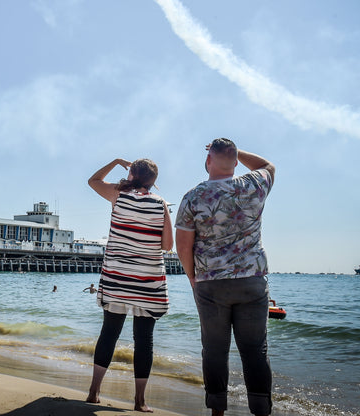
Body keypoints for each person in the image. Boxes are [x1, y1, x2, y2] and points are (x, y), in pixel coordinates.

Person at [175, 139, 275, 416]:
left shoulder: (193, 196)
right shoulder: (253, 185)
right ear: (234, 162)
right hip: (251, 279)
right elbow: (268, 165)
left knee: (215, 350)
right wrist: (235, 153)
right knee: (255, 350)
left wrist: (193, 278)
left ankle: (217, 411)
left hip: (210, 282)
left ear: (208, 161)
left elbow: (183, 246)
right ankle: (261, 411)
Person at [85, 158, 173, 413]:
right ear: (153, 181)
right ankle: (139, 401)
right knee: (144, 340)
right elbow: (168, 246)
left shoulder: (118, 194)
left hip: (117, 278)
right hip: (148, 281)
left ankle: (94, 392)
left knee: (109, 333)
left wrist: (114, 161)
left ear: (132, 173)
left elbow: (93, 181)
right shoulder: (161, 204)